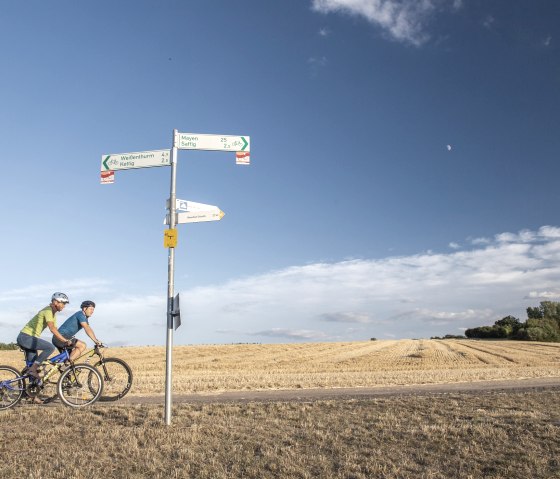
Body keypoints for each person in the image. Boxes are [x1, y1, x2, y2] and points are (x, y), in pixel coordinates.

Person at [16, 292, 73, 380]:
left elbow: (56, 330)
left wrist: (65, 339)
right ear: (56, 302)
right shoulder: (48, 310)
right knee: (50, 347)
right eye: (63, 303)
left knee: (33, 365)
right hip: (26, 337)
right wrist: (65, 340)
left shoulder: (53, 314)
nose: (64, 306)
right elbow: (52, 329)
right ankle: (32, 369)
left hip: (30, 339)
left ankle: (29, 390)